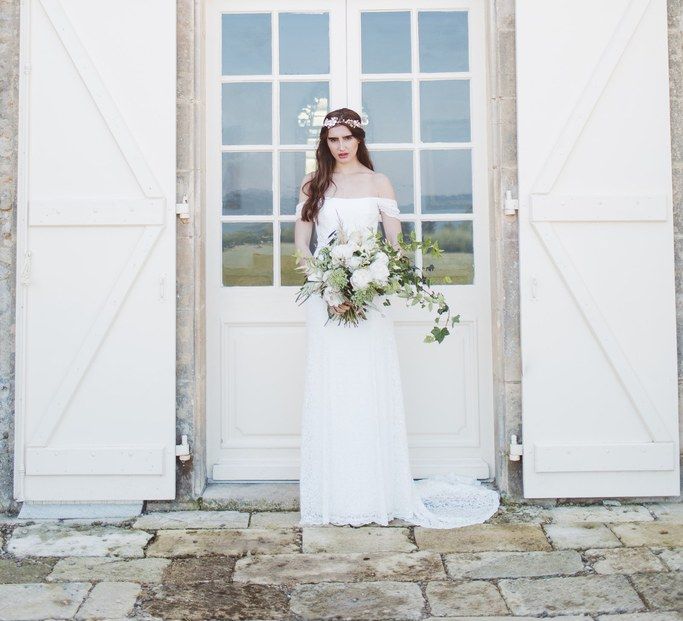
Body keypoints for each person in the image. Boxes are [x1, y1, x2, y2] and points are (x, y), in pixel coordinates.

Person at [293, 107, 499, 528]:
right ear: (325, 143)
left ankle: (378, 492)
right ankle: (334, 497)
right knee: (332, 388)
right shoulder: (313, 185)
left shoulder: (379, 182)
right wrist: (330, 289)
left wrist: (371, 284)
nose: (342, 146)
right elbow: (302, 248)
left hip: (370, 302)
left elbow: (394, 248)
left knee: (369, 387)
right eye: (334, 140)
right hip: (327, 302)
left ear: (359, 139)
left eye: (348, 138)